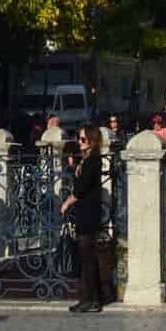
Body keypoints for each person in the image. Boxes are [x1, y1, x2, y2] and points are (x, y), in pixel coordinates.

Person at [60, 124, 107, 315]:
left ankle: (89, 299)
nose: (79, 143)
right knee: (87, 258)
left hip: (88, 214)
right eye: (79, 139)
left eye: (82, 139)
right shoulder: (87, 160)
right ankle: (93, 298)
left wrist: (66, 203)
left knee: (87, 258)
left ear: (92, 140)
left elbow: (80, 190)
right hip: (85, 213)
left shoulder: (93, 160)